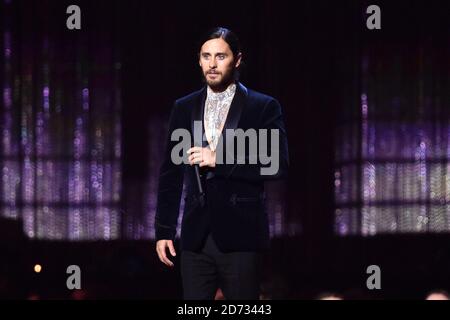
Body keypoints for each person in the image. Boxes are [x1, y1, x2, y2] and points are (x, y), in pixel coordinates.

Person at [154, 27, 289, 300]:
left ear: (237, 60)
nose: (212, 64)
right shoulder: (184, 107)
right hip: (195, 237)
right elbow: (170, 173)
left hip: (241, 235)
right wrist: (164, 230)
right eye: (206, 56)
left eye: (220, 56)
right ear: (199, 60)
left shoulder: (262, 106)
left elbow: (277, 163)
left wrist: (220, 158)